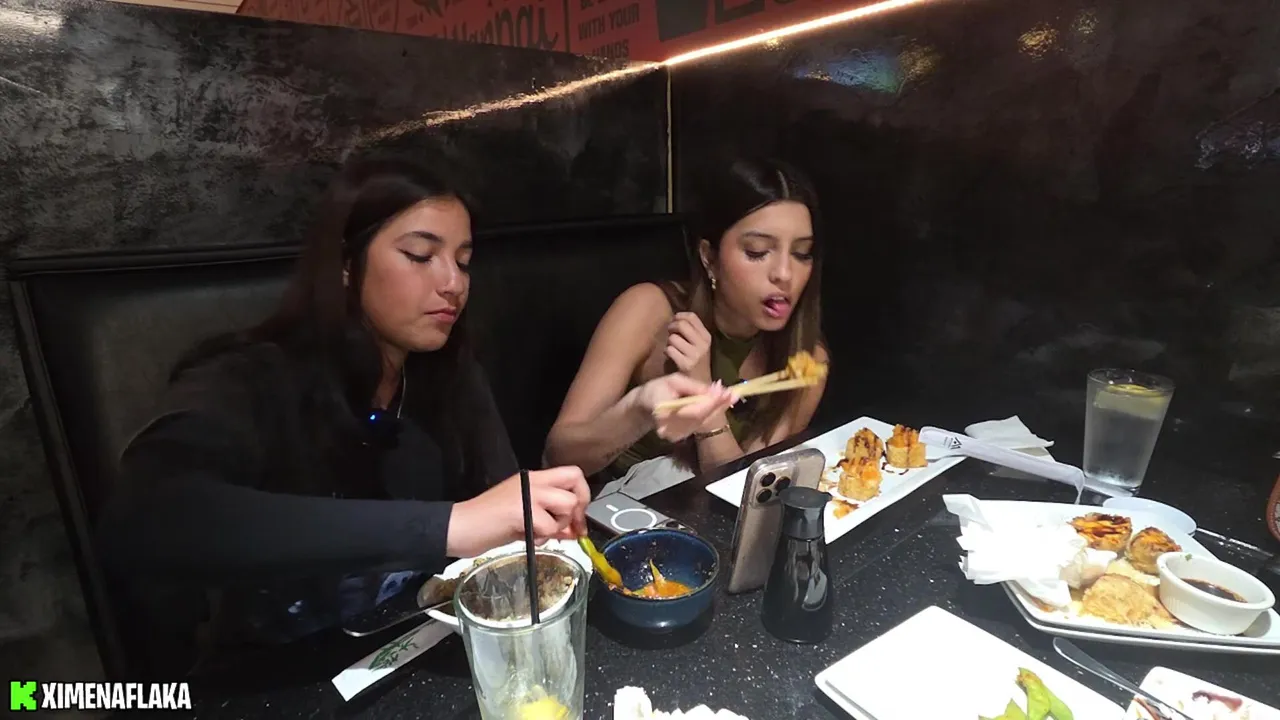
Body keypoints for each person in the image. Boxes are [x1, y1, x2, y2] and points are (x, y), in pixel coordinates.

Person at [96, 157, 734, 677]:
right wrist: (450, 524)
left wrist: (630, 417)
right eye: (421, 255)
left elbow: (509, 501)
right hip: (281, 680)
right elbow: (148, 519)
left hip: (417, 655)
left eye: (463, 260)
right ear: (346, 263)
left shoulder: (444, 372)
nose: (453, 282)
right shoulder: (253, 376)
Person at [545, 158, 828, 497]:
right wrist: (640, 410)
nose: (784, 274)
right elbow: (559, 457)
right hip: (619, 514)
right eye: (757, 252)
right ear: (709, 257)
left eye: (802, 253)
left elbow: (747, 495)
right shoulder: (648, 310)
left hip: (716, 518)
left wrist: (705, 401)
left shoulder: (806, 362)